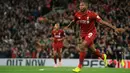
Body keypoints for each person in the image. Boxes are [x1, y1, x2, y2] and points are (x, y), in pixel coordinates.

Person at [65, 1, 124, 72]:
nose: (81, 7)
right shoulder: (77, 14)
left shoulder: (92, 14)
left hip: (92, 33)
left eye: (82, 5)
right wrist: (67, 26)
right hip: (83, 34)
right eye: (80, 5)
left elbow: (102, 22)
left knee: (82, 46)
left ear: (86, 6)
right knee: (93, 50)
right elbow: (73, 21)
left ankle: (79, 67)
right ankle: (103, 56)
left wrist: (114, 28)